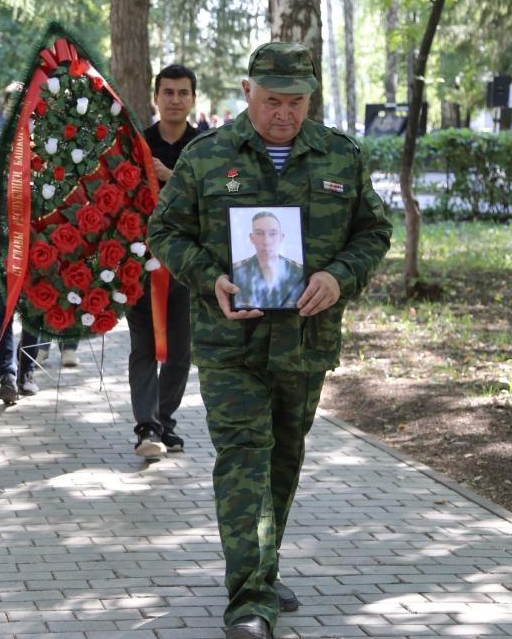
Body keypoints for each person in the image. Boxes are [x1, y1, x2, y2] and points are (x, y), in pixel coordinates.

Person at [148, 41, 392, 639]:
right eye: (272, 100)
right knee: (243, 458)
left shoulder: (341, 156)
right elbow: (165, 230)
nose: (285, 113)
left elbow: (373, 231)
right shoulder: (208, 158)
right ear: (248, 94)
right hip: (230, 341)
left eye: (297, 102)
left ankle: (263, 561)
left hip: (305, 341)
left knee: (284, 454)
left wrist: (339, 277)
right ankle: (249, 599)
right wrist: (211, 278)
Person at [127, 64, 197, 461]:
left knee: (179, 350)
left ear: (192, 99)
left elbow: (213, 199)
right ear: (155, 97)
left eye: (182, 93)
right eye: (167, 92)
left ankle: (165, 420)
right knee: (143, 347)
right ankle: (147, 427)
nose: (175, 100)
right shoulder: (137, 143)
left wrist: (170, 176)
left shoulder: (205, 146)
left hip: (187, 264)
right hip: (139, 264)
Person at [232, 211, 305, 310]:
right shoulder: (235, 271)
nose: (266, 241)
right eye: (259, 233)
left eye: (273, 234)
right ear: (252, 238)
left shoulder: (299, 272)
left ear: (281, 237)